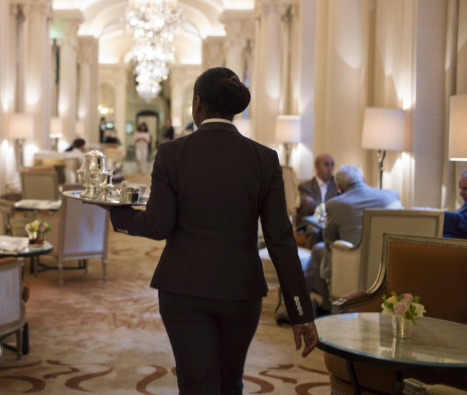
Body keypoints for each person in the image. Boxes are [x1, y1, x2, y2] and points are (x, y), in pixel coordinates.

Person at [106, 67, 317, 395]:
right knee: (230, 381)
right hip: (242, 291)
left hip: (183, 287)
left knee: (196, 384)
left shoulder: (172, 153)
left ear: (197, 103)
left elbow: (158, 225)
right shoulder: (265, 159)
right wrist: (301, 311)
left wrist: (116, 212)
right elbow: (280, 240)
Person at [305, 165, 402, 313]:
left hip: (354, 264)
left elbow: (329, 239)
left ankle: (326, 306)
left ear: (339, 187)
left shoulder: (335, 204)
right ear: (363, 179)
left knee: (318, 249)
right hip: (391, 259)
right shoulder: (391, 195)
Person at [295, 154, 338, 247]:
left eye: (332, 164)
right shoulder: (306, 186)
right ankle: (312, 260)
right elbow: (309, 207)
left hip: (331, 221)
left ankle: (328, 261)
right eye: (326, 164)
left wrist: (317, 204)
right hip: (311, 220)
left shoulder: (337, 185)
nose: (330, 168)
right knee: (314, 230)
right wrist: (331, 204)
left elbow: (342, 205)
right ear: (316, 167)